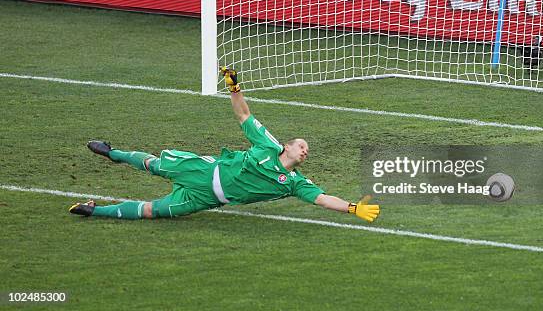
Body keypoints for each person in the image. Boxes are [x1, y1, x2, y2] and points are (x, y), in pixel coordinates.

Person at [69, 68, 380, 222]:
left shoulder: (295, 184)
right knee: (154, 165)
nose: (305, 150)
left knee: (154, 212)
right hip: (206, 171)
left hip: (206, 198)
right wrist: (234, 87)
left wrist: (352, 207)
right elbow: (244, 114)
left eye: (307, 150)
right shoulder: (267, 145)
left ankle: (95, 211)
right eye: (301, 145)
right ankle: (114, 153)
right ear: (287, 146)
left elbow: (323, 199)